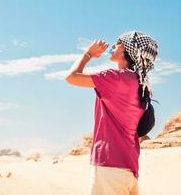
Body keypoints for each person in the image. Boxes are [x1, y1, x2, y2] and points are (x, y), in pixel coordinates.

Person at [65, 31, 158, 195]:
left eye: (118, 43)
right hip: (129, 169)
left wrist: (88, 54)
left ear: (127, 50)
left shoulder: (116, 79)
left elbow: (71, 77)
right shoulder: (141, 84)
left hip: (110, 169)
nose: (113, 46)